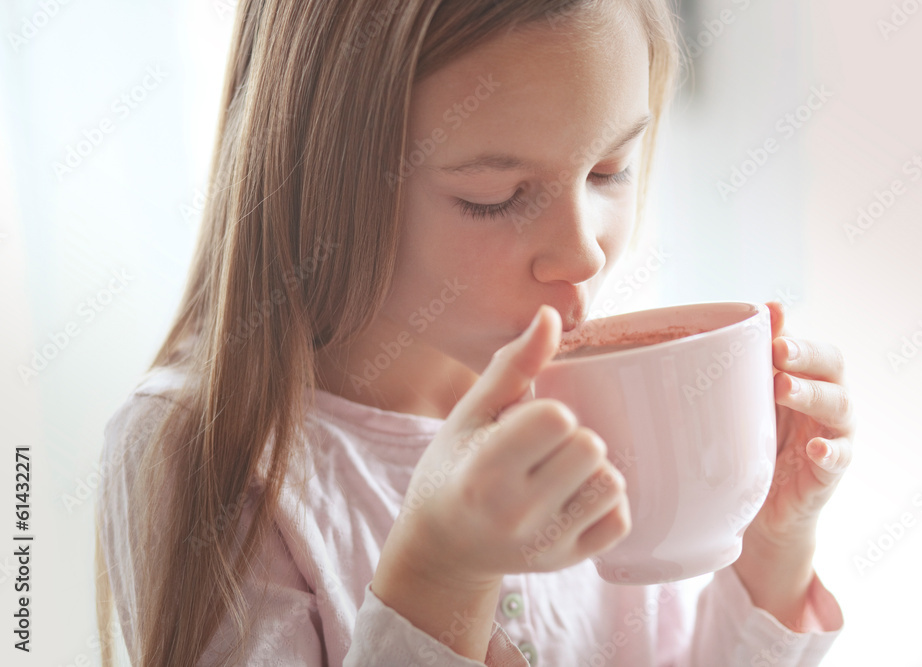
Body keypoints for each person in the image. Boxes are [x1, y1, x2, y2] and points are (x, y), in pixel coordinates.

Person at [95, 0, 854, 665]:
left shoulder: (594, 394)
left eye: (609, 171)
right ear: (321, 181)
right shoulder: (207, 451)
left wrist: (772, 555)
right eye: (494, 197)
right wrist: (440, 575)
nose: (584, 252)